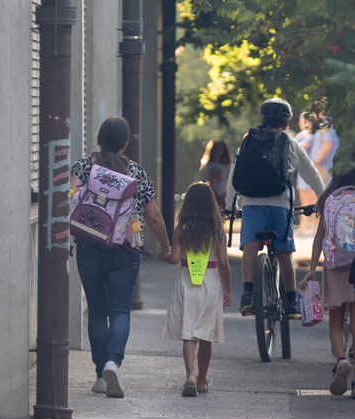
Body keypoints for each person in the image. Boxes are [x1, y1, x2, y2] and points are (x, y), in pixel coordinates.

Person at [70, 117, 171, 398]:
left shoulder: (84, 166)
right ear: (126, 143)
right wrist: (166, 246)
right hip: (125, 251)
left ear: (100, 138)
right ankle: (113, 362)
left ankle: (100, 374)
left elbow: (70, 196)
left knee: (97, 311)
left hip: (89, 247)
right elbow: (153, 215)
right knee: (119, 312)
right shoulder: (136, 172)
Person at [225, 98, 325, 319]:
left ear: (262, 119)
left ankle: (248, 295)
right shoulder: (290, 143)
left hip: (251, 203)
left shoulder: (247, 141)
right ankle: (291, 302)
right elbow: (310, 173)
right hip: (280, 205)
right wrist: (323, 196)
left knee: (250, 247)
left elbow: (235, 174)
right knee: (284, 251)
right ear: (287, 123)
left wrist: (229, 206)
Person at [299, 140, 355, 400]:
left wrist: (311, 269)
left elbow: (319, 237)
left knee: (335, 320)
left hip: (334, 267)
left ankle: (341, 358)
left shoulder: (329, 198)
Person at [160, 182, 232, 396]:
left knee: (189, 334)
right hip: (210, 285)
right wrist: (228, 289)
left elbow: (174, 258)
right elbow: (223, 262)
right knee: (206, 335)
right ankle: (202, 380)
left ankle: (190, 375)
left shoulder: (181, 229)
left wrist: (162, 254)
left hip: (187, 285)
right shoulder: (218, 230)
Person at [295, 112, 320, 234]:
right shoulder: (301, 135)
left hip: (311, 171)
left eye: (302, 120)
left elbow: (299, 147)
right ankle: (304, 227)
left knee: (311, 201)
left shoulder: (314, 135)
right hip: (301, 172)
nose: (300, 122)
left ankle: (312, 227)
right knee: (303, 200)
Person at [199, 140, 232, 209]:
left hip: (223, 196)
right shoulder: (206, 165)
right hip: (209, 196)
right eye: (216, 149)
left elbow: (230, 182)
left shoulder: (227, 166)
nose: (218, 151)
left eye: (220, 149)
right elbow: (203, 180)